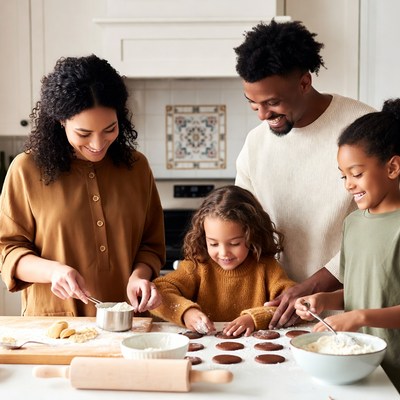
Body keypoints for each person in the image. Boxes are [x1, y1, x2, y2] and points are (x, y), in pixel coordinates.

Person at [234, 19, 376, 329]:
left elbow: (383, 226)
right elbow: (241, 225)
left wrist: (314, 286)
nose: (263, 115)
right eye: (253, 104)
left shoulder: (362, 127)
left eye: (273, 102)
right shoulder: (256, 144)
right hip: (278, 313)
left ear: (304, 82)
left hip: (349, 314)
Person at [0, 55, 165, 317]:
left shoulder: (137, 167)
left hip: (127, 322)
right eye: (84, 134)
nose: (98, 144)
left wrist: (139, 276)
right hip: (55, 327)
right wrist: (54, 271)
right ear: (60, 121)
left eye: (110, 129)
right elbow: (8, 251)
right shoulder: (26, 170)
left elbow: (151, 245)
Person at [295, 98, 400, 392]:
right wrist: (325, 301)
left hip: (395, 369)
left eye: (356, 173)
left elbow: (367, 308)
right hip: (359, 366)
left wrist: (360, 317)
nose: (348, 185)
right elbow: (364, 291)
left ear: (392, 167)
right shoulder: (353, 225)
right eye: (343, 176)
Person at [151, 185, 296, 336]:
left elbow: (290, 305)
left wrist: (253, 319)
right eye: (213, 243)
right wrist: (186, 312)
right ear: (203, 237)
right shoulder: (198, 265)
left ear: (252, 236)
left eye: (234, 244)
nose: (223, 253)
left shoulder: (266, 267)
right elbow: (158, 292)